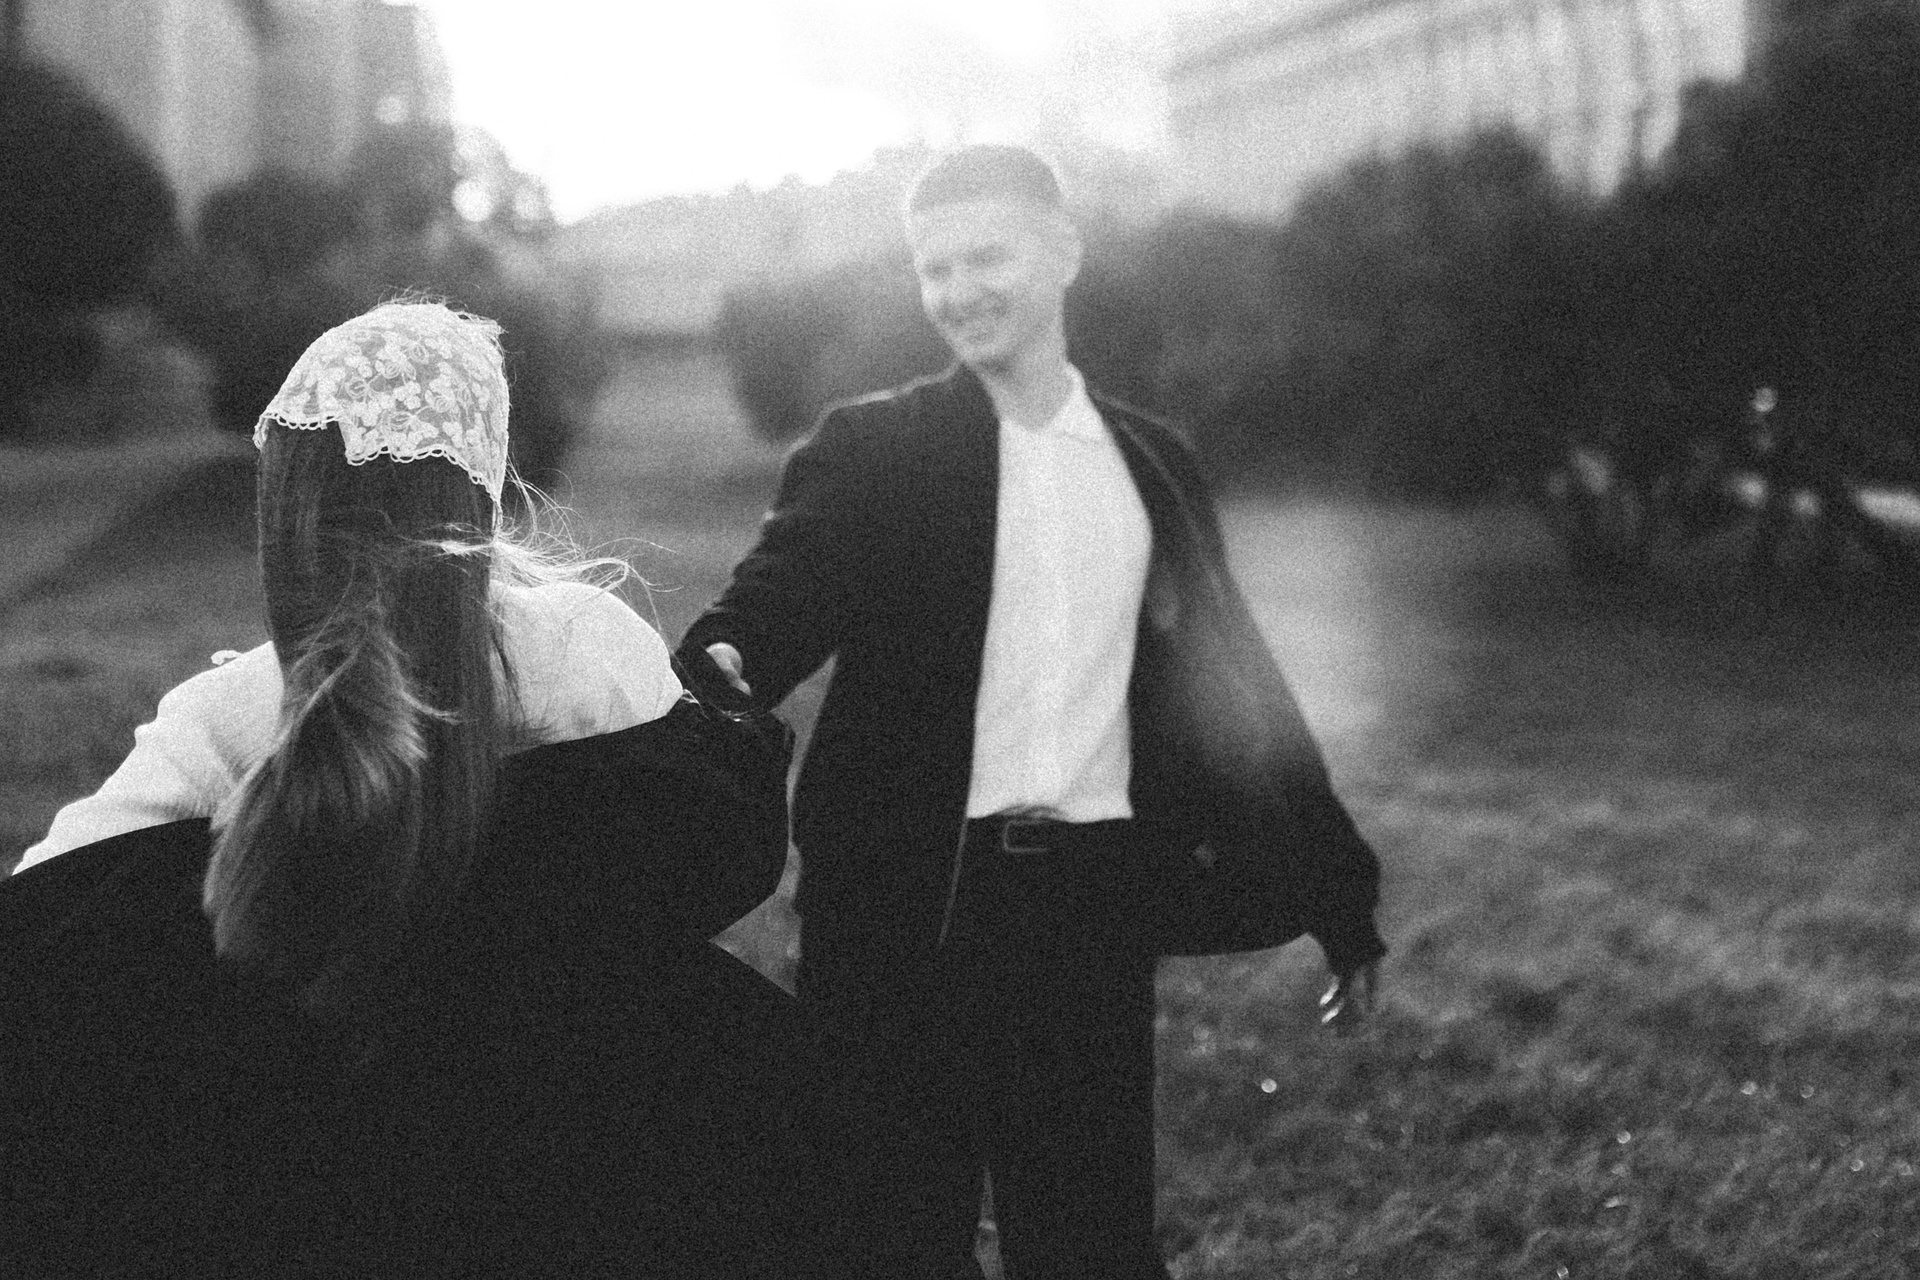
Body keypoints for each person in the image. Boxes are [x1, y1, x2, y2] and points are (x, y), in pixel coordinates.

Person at [1, 301, 832, 1279]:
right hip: (603, 1148)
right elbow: (715, 857)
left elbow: (46, 939)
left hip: (329, 1187)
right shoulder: (589, 643)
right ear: (480, 484)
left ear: (285, 511)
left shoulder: (229, 714)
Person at [676, 145, 1389, 1279]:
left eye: (987, 258)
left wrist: (1337, 895)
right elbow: (780, 592)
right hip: (903, 911)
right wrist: (727, 656)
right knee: (888, 1240)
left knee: (1091, 1243)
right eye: (935, 268)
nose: (959, 291)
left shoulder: (1152, 464)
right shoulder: (878, 449)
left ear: (1064, 251)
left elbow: (1237, 687)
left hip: (1091, 913)